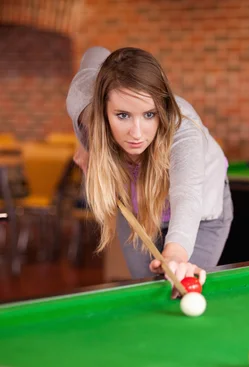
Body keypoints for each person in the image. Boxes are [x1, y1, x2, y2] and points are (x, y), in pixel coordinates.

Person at [67, 46, 233, 293]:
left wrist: (176, 253)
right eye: (122, 115)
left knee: (177, 291)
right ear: (102, 110)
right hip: (137, 209)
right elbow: (95, 52)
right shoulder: (83, 102)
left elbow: (186, 195)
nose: (136, 133)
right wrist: (86, 144)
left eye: (149, 114)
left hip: (200, 214)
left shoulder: (183, 129)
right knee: (148, 293)